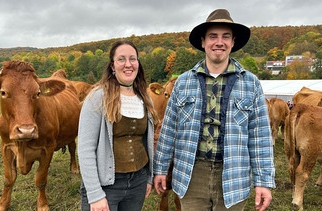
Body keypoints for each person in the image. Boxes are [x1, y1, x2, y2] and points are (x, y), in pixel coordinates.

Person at [153, 9, 276, 211]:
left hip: (234, 176)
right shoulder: (183, 82)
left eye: (225, 36)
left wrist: (263, 181)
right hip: (192, 175)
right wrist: (160, 169)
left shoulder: (250, 83)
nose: (219, 42)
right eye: (213, 36)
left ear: (233, 42)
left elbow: (260, 136)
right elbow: (168, 131)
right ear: (203, 42)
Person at [78, 40, 158, 211]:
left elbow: (147, 141)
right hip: (106, 184)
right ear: (112, 66)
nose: (128, 64)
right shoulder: (97, 98)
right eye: (121, 59)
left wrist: (148, 177)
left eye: (133, 59)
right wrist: (95, 193)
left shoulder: (145, 99)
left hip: (138, 181)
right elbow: (85, 149)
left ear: (138, 64)